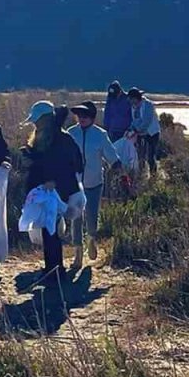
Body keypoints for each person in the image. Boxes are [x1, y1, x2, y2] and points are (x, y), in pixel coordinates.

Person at [21, 101, 83, 278]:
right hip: (46, 191)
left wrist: (55, 181)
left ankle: (55, 270)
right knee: (49, 229)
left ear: (44, 119)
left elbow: (74, 164)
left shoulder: (62, 139)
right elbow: (43, 163)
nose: (34, 123)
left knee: (51, 229)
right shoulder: (45, 137)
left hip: (58, 190)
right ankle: (52, 268)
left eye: (37, 120)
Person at [67, 101, 121, 268]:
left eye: (85, 115)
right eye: (79, 115)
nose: (81, 118)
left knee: (91, 217)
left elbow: (110, 154)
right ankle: (77, 253)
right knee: (76, 217)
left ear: (91, 117)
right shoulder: (70, 133)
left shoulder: (100, 134)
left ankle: (91, 238)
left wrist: (117, 165)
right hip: (74, 184)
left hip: (94, 183)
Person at [127, 87, 160, 177]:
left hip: (152, 133)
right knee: (140, 155)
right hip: (141, 134)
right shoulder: (133, 107)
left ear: (136, 98)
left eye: (131, 99)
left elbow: (146, 121)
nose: (130, 101)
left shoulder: (148, 105)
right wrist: (130, 129)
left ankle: (154, 175)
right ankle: (141, 175)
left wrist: (136, 130)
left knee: (150, 156)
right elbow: (134, 120)